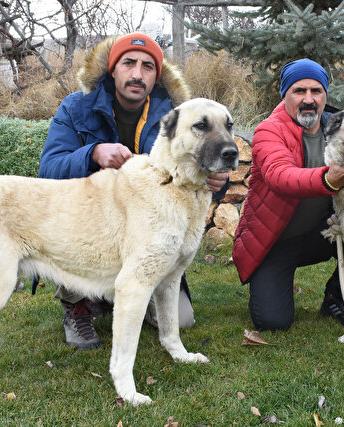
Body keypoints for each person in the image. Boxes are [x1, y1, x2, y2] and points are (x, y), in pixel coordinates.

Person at [39, 33, 229, 348]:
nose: (137, 74)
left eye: (148, 67)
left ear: (157, 77)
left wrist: (216, 183)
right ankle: (79, 304)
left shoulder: (176, 117)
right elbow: (49, 170)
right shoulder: (75, 108)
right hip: (90, 227)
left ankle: (118, 293)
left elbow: (196, 173)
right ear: (113, 70)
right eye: (128, 63)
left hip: (150, 238)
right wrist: (93, 153)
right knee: (70, 236)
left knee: (183, 320)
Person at [232, 58, 344, 332]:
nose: (309, 99)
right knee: (273, 322)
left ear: (325, 95)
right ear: (285, 95)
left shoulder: (342, 127)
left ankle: (337, 299)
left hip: (323, 234)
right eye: (299, 91)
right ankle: (270, 281)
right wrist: (329, 180)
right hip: (275, 240)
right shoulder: (269, 130)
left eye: (316, 91)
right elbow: (280, 176)